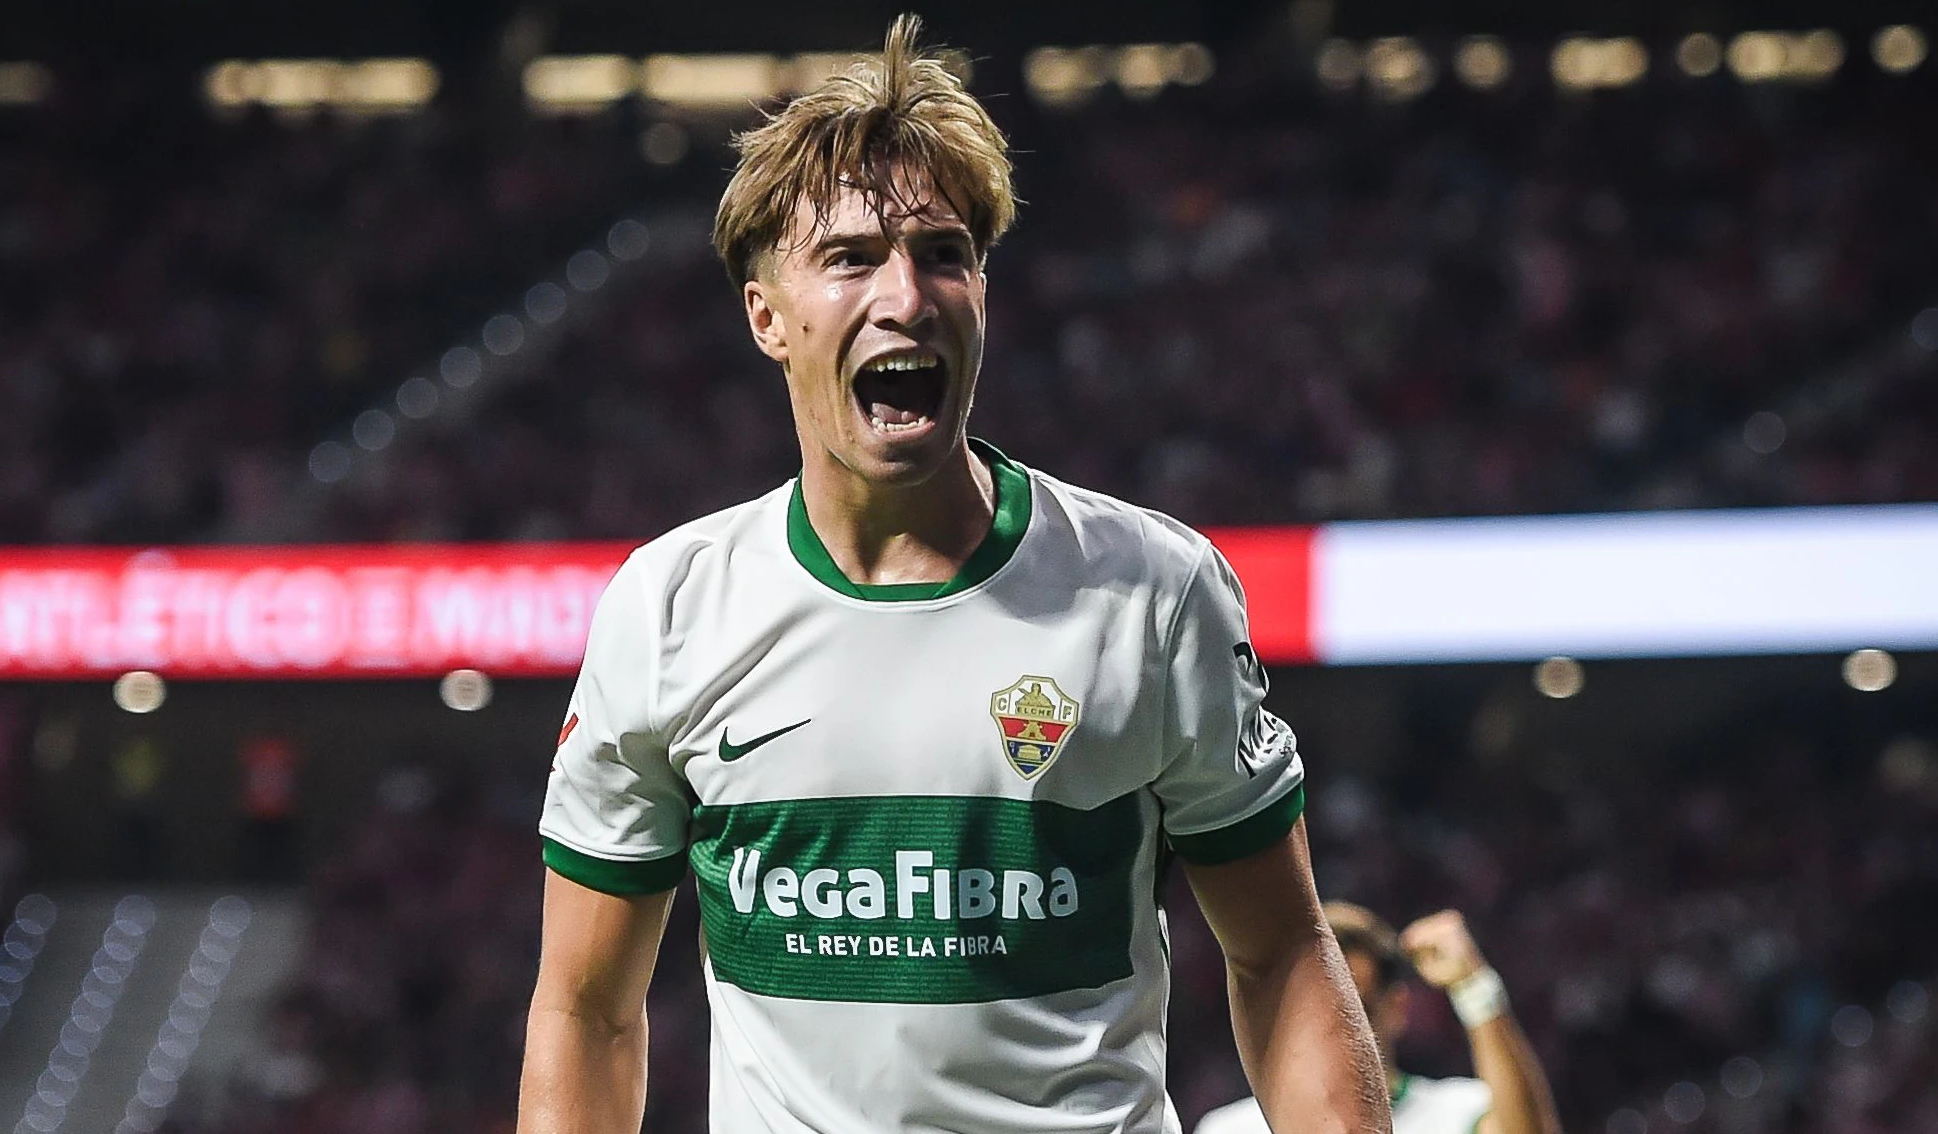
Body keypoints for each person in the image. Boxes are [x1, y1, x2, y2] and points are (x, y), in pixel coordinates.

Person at [519, 16, 1388, 1134]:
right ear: (766, 317)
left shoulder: (1154, 592)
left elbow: (1282, 955)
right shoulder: (671, 607)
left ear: (982, 291)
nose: (908, 295)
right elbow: (587, 1010)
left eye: (943, 253)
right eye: (850, 258)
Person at [1194, 904, 1561, 1134]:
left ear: (1397, 1009)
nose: (1330, 1035)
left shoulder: (1457, 1112)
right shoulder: (1229, 1130)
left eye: (1356, 1014)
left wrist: (1474, 986)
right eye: (1311, 1018)